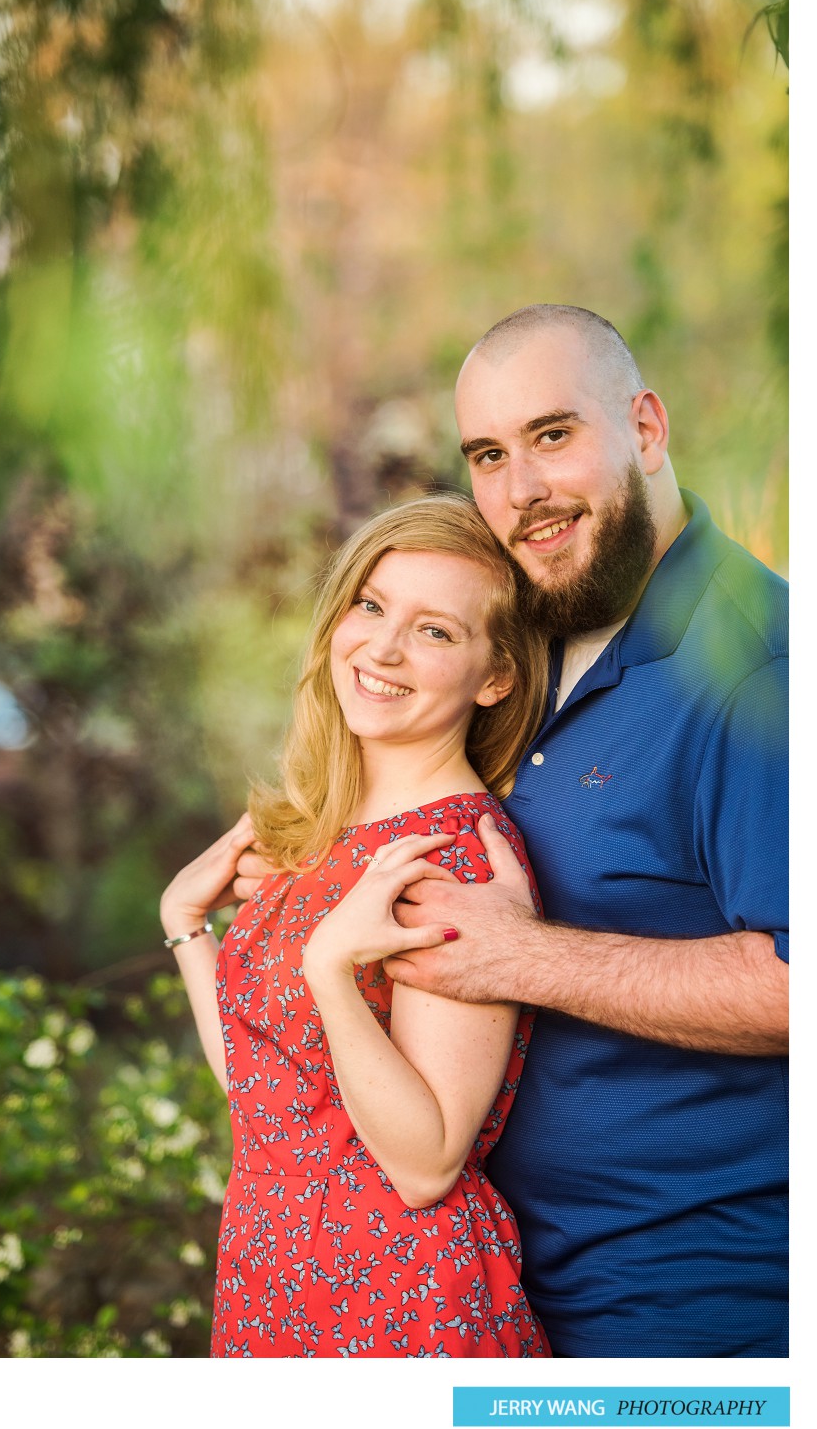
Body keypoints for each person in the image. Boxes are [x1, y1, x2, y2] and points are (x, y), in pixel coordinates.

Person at [384, 306, 788, 1357]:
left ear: (646, 430)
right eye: (487, 454)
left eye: (553, 435)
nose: (521, 492)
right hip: (493, 1299)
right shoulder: (513, 641)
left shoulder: (758, 669)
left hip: (689, 1318)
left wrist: (522, 957)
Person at [160, 494, 551, 1356]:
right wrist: (188, 926)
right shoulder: (323, 838)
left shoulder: (450, 860)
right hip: (275, 1269)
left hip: (392, 1294)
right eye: (371, 606)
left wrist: (330, 974)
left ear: (496, 677)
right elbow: (272, 1096)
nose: (381, 646)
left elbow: (426, 1162)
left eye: (435, 631)